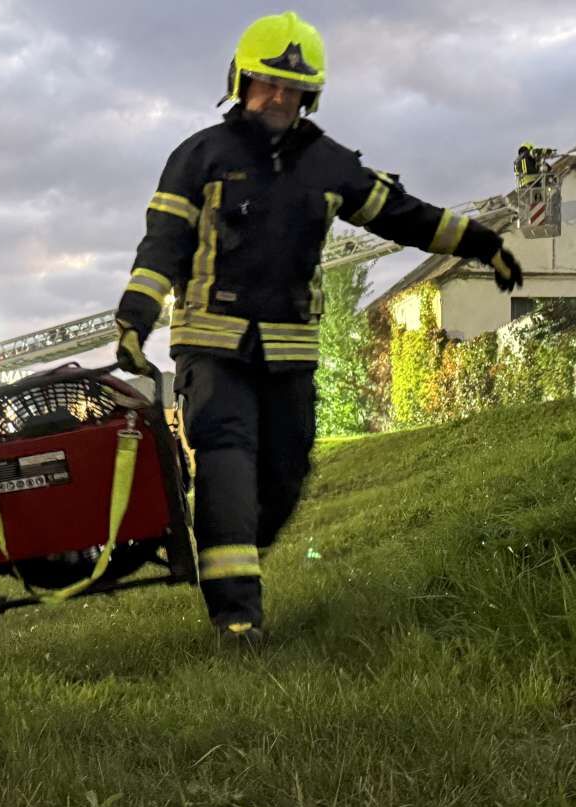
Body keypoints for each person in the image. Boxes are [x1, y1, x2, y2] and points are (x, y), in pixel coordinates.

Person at [113, 11, 524, 644]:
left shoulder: (328, 164)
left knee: (285, 475)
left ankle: (228, 553)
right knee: (226, 460)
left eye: (292, 88)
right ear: (241, 82)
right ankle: (237, 617)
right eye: (267, 83)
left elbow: (404, 216)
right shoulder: (199, 156)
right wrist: (135, 319)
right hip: (213, 345)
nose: (278, 97)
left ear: (310, 96)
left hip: (290, 351)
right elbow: (162, 245)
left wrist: (481, 241)